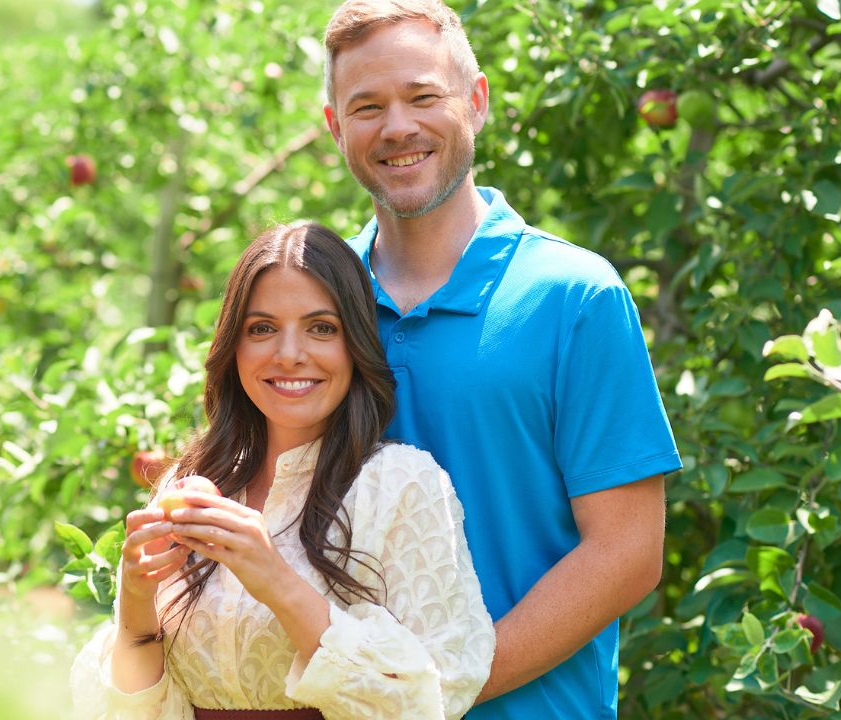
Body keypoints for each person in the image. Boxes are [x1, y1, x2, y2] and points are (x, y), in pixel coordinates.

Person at [320, 2, 682, 718]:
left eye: (424, 96)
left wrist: (438, 691)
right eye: (367, 106)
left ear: (475, 102)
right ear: (335, 127)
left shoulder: (574, 297)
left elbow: (628, 552)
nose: (398, 127)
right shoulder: (316, 305)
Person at [69, 222, 495, 719]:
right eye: (262, 328)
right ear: (235, 347)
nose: (290, 355)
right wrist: (137, 603)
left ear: (354, 345)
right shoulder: (190, 482)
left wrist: (274, 579)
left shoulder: (400, 485)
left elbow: (433, 698)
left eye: (321, 328)